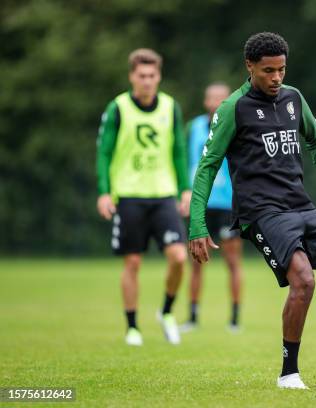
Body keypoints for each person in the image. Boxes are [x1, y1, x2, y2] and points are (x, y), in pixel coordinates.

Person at [189, 32, 316, 389]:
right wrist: (197, 225)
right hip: (260, 212)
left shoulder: (294, 99)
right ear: (249, 66)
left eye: (281, 69)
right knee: (304, 279)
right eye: (268, 70)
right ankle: (289, 372)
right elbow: (207, 166)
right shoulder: (232, 109)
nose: (276, 78)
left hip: (299, 204)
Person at [96, 48, 190, 347]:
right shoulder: (118, 108)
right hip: (129, 195)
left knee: (178, 257)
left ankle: (166, 312)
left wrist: (185, 188)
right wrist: (104, 192)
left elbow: (178, 151)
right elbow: (104, 152)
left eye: (152, 75)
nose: (147, 81)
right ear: (132, 77)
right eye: (142, 76)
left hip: (163, 195)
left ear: (158, 76)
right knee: (133, 263)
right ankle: (133, 327)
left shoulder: (170, 107)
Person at [181, 82, 243, 333]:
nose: (217, 102)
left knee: (232, 262)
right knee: (196, 261)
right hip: (201, 204)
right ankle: (193, 317)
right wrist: (185, 194)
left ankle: (235, 319)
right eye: (212, 97)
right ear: (206, 101)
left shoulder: (236, 127)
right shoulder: (194, 127)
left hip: (227, 205)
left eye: (222, 98)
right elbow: (187, 162)